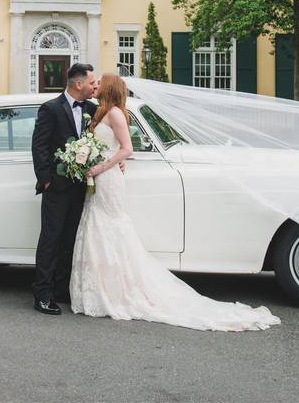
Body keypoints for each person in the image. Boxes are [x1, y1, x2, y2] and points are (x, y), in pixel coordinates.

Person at [69, 73, 282, 331]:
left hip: (108, 178)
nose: (96, 85)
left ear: (110, 88)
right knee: (96, 225)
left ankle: (119, 289)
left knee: (111, 227)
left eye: (100, 82)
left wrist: (102, 166)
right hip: (100, 177)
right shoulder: (100, 112)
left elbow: (127, 148)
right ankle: (101, 289)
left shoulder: (115, 113)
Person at [30, 62, 100, 315]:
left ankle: (61, 289)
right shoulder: (50, 108)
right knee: (51, 238)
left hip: (82, 186)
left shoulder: (92, 109)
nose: (95, 86)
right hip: (57, 186)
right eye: (92, 82)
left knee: (70, 239)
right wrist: (46, 179)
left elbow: (101, 141)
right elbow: (39, 146)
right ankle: (43, 294)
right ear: (78, 83)